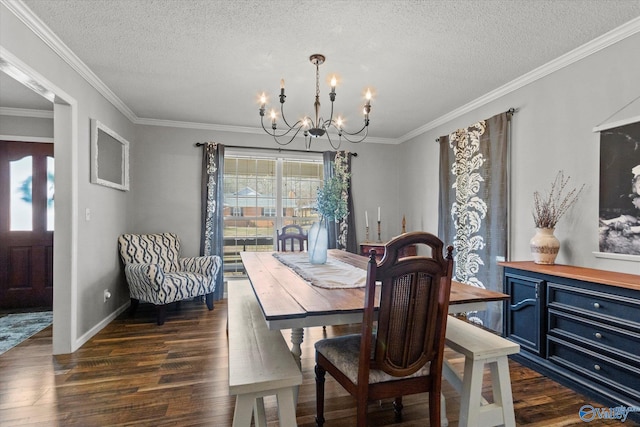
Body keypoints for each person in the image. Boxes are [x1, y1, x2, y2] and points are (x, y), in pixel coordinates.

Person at [600, 164, 640, 235]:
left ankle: (631, 229)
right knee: (626, 217)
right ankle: (607, 222)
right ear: (635, 187)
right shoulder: (637, 197)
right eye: (639, 187)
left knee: (632, 227)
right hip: (638, 220)